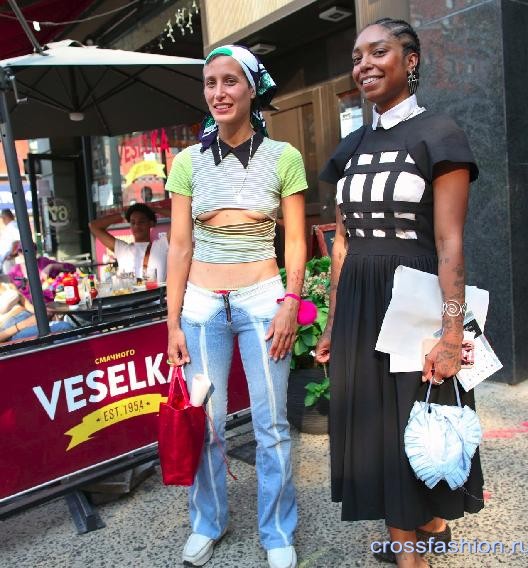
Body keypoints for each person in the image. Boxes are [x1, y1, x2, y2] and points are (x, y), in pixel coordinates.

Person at [315, 18, 484, 568]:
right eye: (357, 55)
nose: (363, 64)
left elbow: (449, 238)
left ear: (410, 61)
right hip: (361, 302)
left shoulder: (439, 134)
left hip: (414, 298)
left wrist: (453, 331)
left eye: (378, 51)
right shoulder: (349, 149)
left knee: (416, 417)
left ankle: (422, 536)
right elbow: (341, 242)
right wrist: (333, 322)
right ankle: (414, 543)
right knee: (376, 426)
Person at [165, 45, 307, 568]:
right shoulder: (186, 160)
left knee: (271, 425)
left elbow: (295, 241)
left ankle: (276, 531)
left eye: (229, 82)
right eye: (210, 83)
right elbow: (178, 247)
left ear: (251, 88)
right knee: (207, 421)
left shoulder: (284, 156)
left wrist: (292, 300)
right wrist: (172, 322)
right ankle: (208, 522)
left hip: (263, 301)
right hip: (202, 307)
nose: (218, 93)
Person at [89, 202, 171, 282]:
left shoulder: (162, 245)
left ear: (151, 223)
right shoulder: (122, 249)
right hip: (129, 295)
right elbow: (93, 226)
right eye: (133, 222)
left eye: (141, 222)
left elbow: (180, 218)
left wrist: (153, 209)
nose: (137, 226)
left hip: (158, 295)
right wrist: (123, 215)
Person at [0, 209, 20, 274]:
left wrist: (12, 255)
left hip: (10, 259)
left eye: (3, 218)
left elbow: (17, 241)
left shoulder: (13, 226)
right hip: (7, 259)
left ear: (5, 217)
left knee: (11, 279)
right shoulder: (11, 226)